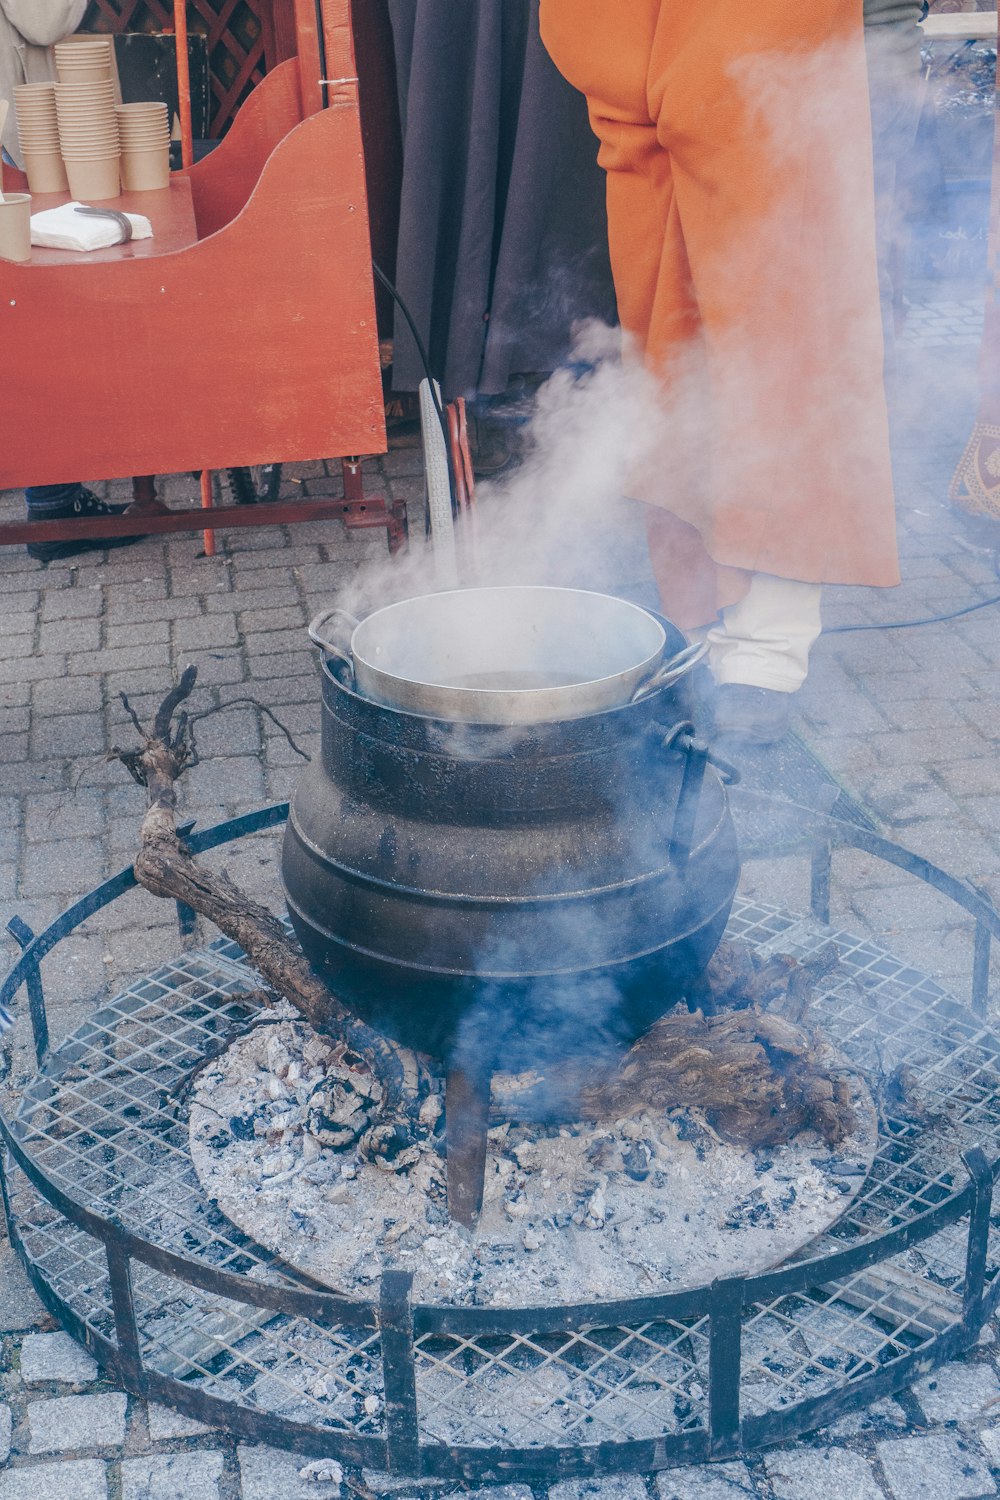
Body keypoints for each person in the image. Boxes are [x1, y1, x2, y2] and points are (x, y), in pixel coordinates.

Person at [538, 1, 901, 747]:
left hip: (764, 61)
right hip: (640, 87)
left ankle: (769, 641)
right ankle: (705, 615)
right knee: (674, 358)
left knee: (782, 336)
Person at [1, 0, 140, 563]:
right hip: (16, 130)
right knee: (32, 315)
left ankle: (52, 498)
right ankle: (53, 505)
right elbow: (45, 18)